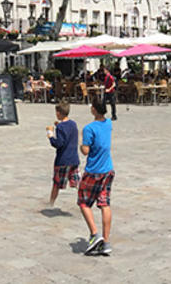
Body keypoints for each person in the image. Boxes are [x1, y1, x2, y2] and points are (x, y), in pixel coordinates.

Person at [77, 100, 115, 257]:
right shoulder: (108, 124)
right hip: (108, 169)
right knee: (104, 203)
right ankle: (105, 242)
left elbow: (85, 151)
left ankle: (94, 234)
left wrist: (81, 144)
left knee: (83, 201)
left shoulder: (89, 128)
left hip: (94, 171)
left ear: (94, 110)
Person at [46, 102, 79, 208]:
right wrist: (58, 126)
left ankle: (51, 203)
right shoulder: (73, 124)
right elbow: (68, 133)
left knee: (56, 183)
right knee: (76, 182)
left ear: (59, 113)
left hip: (63, 160)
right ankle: (84, 200)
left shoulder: (60, 127)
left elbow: (58, 143)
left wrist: (50, 134)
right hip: (74, 158)